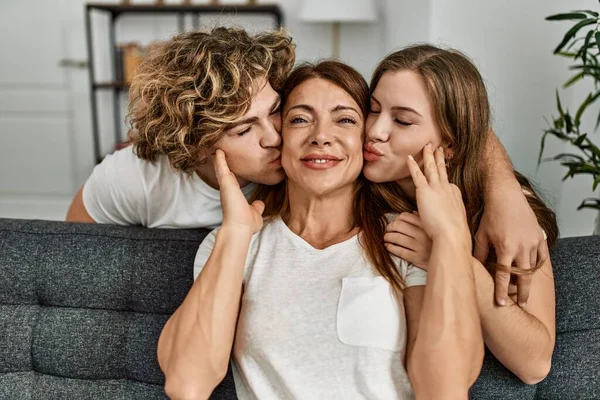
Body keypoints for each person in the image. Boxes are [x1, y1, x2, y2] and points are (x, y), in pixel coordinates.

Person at [157, 60, 484, 399]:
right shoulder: (235, 244)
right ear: (279, 137)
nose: (321, 137)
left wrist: (450, 236)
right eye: (300, 119)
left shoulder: (403, 240)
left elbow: (444, 389)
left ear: (366, 140)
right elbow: (187, 384)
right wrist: (236, 232)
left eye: (345, 120)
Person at [363, 44, 557, 384]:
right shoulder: (349, 179)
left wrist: (447, 252)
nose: (375, 131)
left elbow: (535, 363)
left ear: (450, 145)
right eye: (372, 109)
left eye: (403, 120)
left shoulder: (504, 219)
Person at [65, 27, 295, 229]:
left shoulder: (302, 168)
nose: (274, 138)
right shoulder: (136, 177)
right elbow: (73, 250)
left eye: (274, 110)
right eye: (244, 130)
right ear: (196, 145)